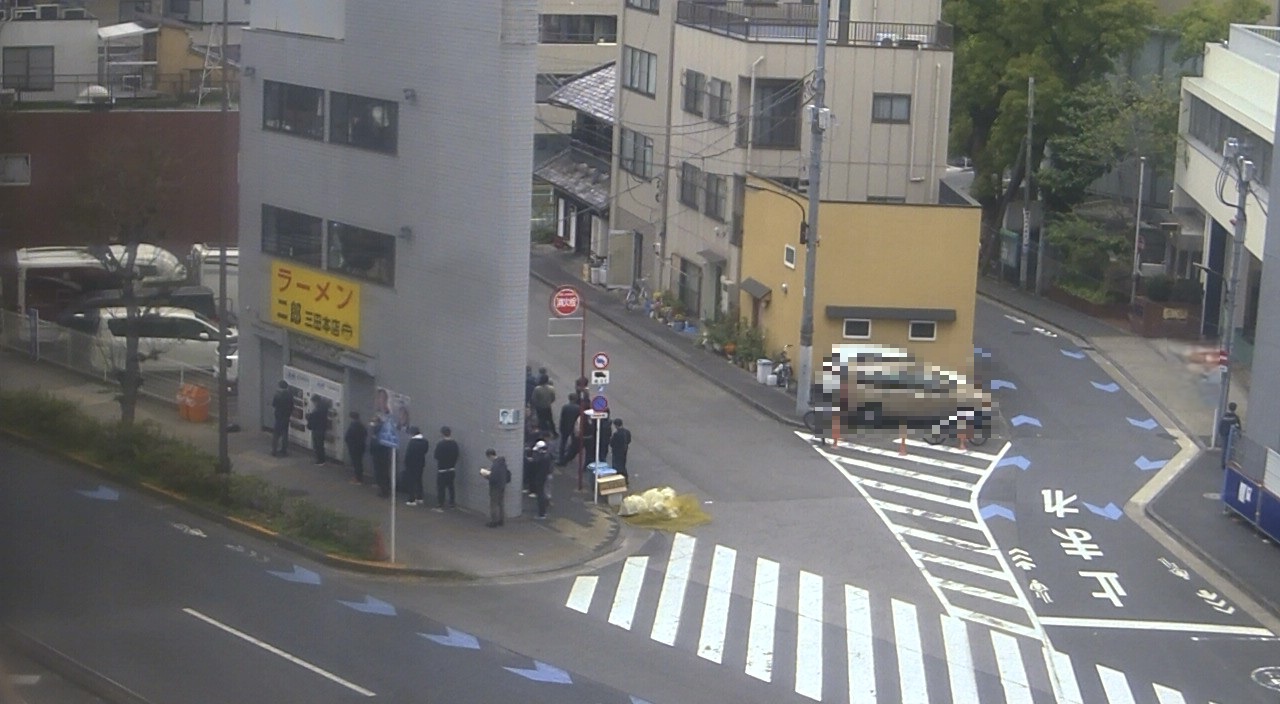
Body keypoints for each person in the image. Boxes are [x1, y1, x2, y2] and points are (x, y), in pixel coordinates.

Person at [481, 448, 510, 527]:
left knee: (494, 504)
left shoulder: (495, 464)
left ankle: (494, 521)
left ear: (490, 456)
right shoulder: (502, 462)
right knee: (501, 503)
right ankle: (501, 520)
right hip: (502, 485)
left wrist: (486, 475)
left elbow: (493, 478)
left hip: (495, 487)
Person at [433, 426, 460, 511]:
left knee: (441, 488)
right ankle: (452, 503)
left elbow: (436, 456)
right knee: (451, 487)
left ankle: (440, 504)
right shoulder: (454, 444)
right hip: (452, 468)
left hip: (442, 469)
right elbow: (457, 455)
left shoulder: (440, 444)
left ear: (442, 433)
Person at [403, 426, 429, 506]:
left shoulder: (412, 442)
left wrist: (406, 463)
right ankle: (419, 497)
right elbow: (425, 451)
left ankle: (412, 499)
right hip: (420, 463)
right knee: (418, 480)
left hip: (411, 464)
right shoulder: (425, 441)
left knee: (411, 482)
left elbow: (408, 455)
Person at [527, 438, 553, 519]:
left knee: (540, 494)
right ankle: (546, 504)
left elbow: (535, 463)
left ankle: (542, 513)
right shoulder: (548, 455)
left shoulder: (541, 458)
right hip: (548, 475)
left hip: (541, 478)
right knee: (546, 492)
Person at [370, 415, 393, 497]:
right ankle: (385, 489)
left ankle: (384, 491)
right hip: (384, 455)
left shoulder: (378, 433)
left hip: (380, 456)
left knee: (381, 473)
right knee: (384, 473)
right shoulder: (383, 431)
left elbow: (376, 444)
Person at [306, 396, 331, 465]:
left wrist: (309, 416)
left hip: (318, 429)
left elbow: (314, 417)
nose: (313, 404)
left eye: (313, 402)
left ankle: (321, 460)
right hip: (320, 428)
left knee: (318, 445)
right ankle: (320, 459)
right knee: (319, 445)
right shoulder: (323, 407)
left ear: (316, 401)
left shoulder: (319, 409)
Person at [270, 380, 293, 456]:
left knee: (276, 434)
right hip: (286, 417)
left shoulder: (278, 395)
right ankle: (284, 450)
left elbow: (274, 404)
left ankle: (274, 450)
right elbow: (292, 406)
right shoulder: (290, 395)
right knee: (285, 434)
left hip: (279, 417)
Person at [344, 411, 367, 484]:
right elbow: (365, 434)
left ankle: (358, 478)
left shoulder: (353, 425)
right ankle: (358, 477)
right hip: (360, 446)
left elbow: (349, 436)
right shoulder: (362, 425)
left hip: (354, 447)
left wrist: (349, 442)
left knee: (356, 463)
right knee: (358, 462)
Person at [557, 392, 581, 463]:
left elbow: (562, 418)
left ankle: (561, 457)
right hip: (574, 428)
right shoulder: (578, 408)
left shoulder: (565, 407)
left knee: (563, 442)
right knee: (574, 442)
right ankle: (569, 456)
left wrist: (561, 427)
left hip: (565, 427)